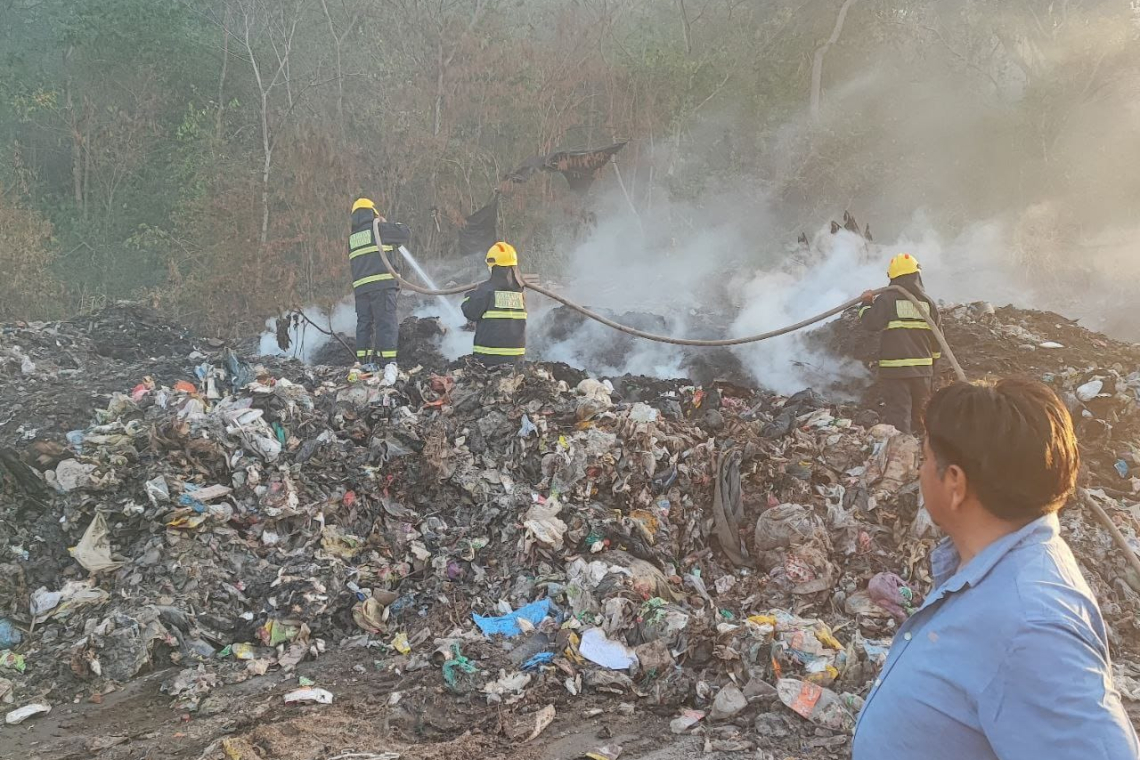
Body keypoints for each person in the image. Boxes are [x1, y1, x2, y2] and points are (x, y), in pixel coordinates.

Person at [853, 378, 1139, 760]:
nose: (919, 472)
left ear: (955, 483)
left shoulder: (1032, 627)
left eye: (924, 460)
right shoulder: (989, 570)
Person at [859, 252, 941, 435]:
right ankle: (923, 448)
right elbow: (937, 341)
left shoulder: (887, 299)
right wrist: (931, 366)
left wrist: (865, 304)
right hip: (922, 371)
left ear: (893, 277)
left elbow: (871, 323)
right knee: (921, 416)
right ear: (917, 275)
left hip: (895, 372)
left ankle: (902, 448)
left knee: (899, 415)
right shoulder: (928, 303)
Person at [348, 197, 409, 385]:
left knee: (364, 324)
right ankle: (387, 362)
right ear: (373, 212)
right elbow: (405, 233)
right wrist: (386, 222)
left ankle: (364, 362)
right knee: (386, 322)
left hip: (361, 289)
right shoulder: (380, 229)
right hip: (381, 285)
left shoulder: (353, 238)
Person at [460, 241, 526, 366]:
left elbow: (470, 312)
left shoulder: (486, 291)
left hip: (488, 360)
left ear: (493, 266)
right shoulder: (520, 293)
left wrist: (470, 296)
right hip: (516, 361)